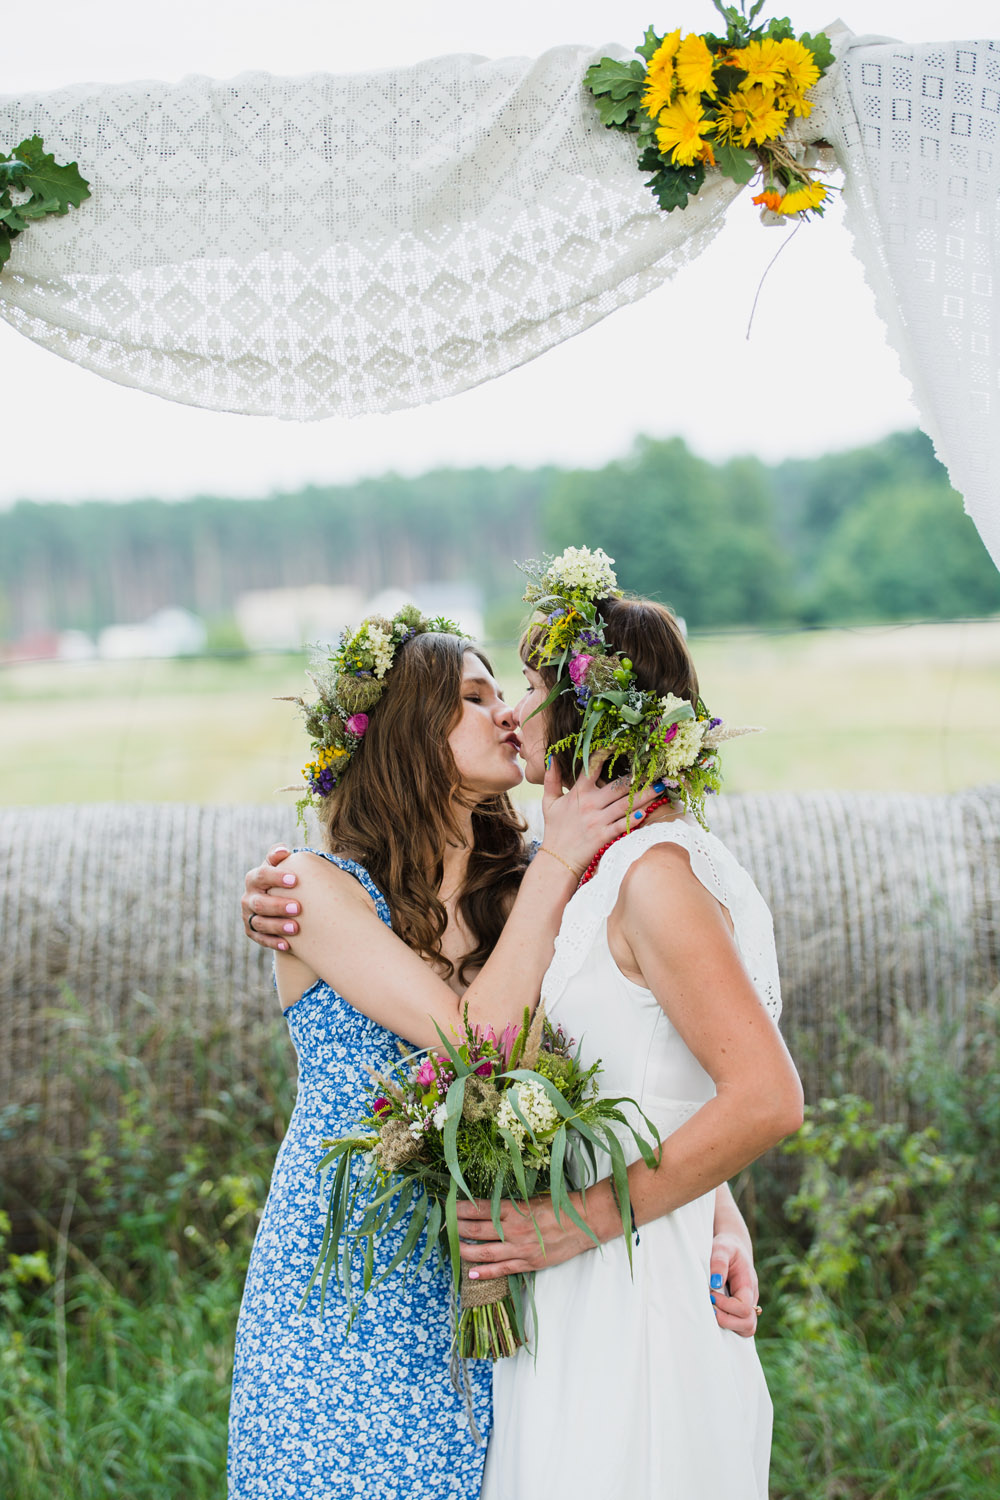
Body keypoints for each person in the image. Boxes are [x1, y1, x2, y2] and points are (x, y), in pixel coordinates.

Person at [228, 604, 657, 1500]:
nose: (508, 713)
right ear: (409, 731)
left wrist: (719, 1217)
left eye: (508, 693)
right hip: (339, 1286)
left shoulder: (528, 894)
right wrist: (560, 865)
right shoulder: (314, 887)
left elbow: (642, 1049)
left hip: (491, 1280)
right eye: (473, 696)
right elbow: (477, 1044)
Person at [452, 547, 803, 1500]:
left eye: (530, 685)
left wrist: (578, 1229)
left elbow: (767, 1098)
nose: (515, 712)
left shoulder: (657, 876)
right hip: (576, 1287)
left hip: (628, 1286)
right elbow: (655, 1075)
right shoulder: (588, 870)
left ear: (594, 710)